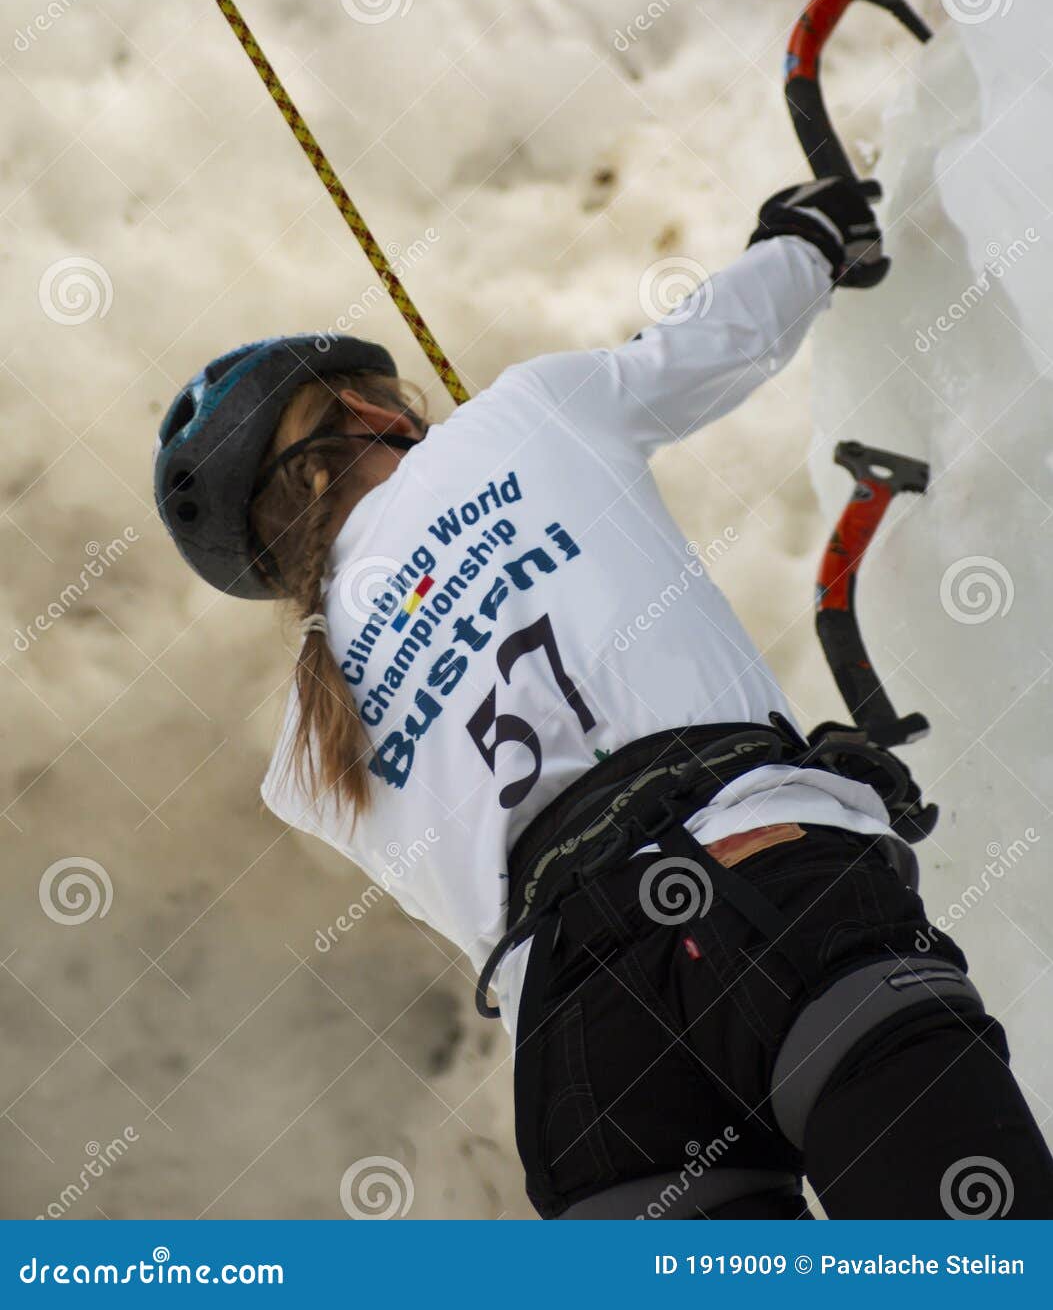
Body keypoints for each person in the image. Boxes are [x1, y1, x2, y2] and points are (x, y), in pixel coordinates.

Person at [155, 176, 1053, 1220]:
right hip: (761, 880)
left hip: (584, 1059)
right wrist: (810, 239)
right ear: (368, 406)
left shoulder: (306, 767)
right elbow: (707, 342)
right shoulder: (522, 414)